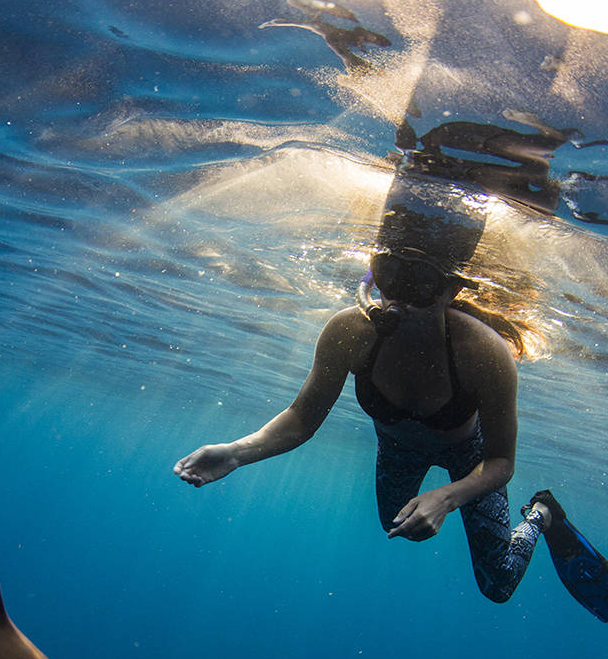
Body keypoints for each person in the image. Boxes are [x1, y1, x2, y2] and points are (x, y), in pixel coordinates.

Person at [174, 176, 552, 603]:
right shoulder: (348, 332)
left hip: (469, 454)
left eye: (420, 282)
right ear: (374, 273)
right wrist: (236, 453)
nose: (399, 299)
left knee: (498, 584)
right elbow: (301, 418)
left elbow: (500, 462)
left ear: (452, 289)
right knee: (398, 524)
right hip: (398, 448)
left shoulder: (483, 351)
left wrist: (447, 498)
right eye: (390, 274)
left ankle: (541, 515)